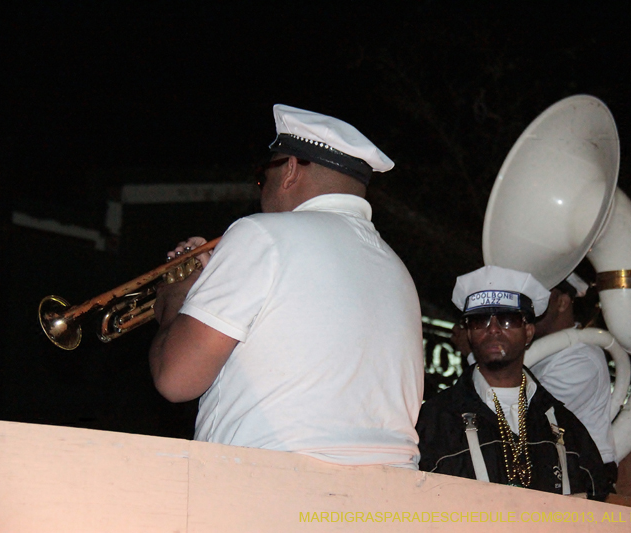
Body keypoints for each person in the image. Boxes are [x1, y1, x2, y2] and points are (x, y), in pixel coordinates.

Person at [149, 104, 424, 469]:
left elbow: (176, 379)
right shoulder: (396, 268)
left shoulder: (259, 233)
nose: (261, 191)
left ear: (290, 169)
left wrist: (176, 295)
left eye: (263, 177)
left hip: (270, 487)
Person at [417, 266, 613, 499]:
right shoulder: (432, 422)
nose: (493, 330)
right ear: (468, 333)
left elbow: (598, 502)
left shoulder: (566, 426)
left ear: (528, 332)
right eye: (480, 321)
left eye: (508, 320)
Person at [530, 273, 618, 477]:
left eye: (539, 297)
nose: (528, 305)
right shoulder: (540, 353)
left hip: (581, 476)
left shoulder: (582, 357)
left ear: (562, 302)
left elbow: (534, 419)